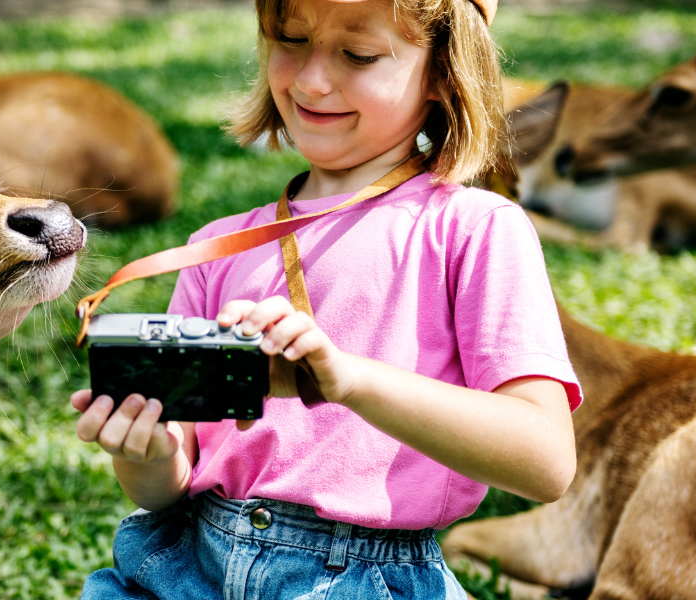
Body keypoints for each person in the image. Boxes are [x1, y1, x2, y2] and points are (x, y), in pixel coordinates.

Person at [71, 0, 581, 597]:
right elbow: (165, 485)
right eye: (290, 39)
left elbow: (545, 460)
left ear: (445, 70)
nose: (312, 80)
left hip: (367, 579)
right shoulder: (216, 248)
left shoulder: (473, 229)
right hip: (187, 565)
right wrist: (146, 450)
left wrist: (350, 380)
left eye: (358, 54)